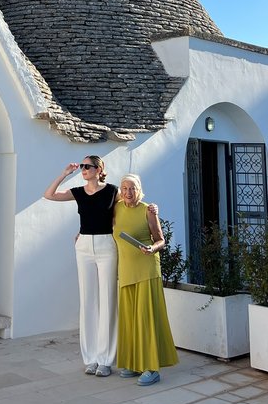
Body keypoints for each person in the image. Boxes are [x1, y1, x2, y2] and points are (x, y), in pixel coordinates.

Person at [44, 156, 118, 376]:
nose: (84, 169)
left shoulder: (112, 191)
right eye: (83, 167)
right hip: (84, 245)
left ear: (99, 169)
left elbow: (129, 207)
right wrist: (65, 174)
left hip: (106, 244)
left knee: (107, 300)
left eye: (88, 166)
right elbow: (49, 195)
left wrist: (151, 209)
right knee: (88, 301)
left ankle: (105, 360)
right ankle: (91, 358)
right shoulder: (77, 192)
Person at [113, 173, 178, 386]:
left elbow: (161, 239)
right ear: (120, 191)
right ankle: (133, 363)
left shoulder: (148, 209)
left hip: (146, 270)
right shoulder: (117, 208)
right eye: (124, 188)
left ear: (139, 190)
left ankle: (152, 368)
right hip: (126, 271)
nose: (128, 192)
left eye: (132, 188)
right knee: (130, 319)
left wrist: (152, 248)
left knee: (146, 319)